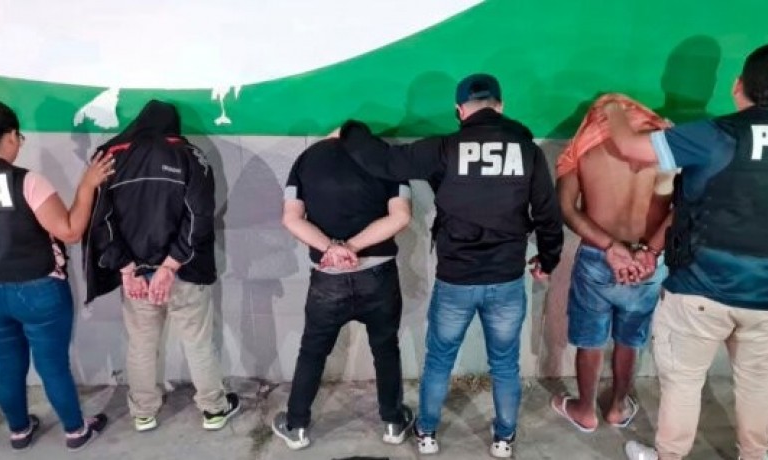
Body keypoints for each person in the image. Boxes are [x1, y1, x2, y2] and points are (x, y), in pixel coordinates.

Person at [334, 74, 564, 458]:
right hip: (506, 279)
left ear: (460, 111)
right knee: (505, 364)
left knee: (440, 360)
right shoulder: (528, 152)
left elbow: (384, 162)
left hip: (456, 279)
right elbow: (548, 215)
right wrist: (549, 258)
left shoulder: (445, 148)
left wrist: (351, 130)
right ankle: (504, 439)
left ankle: (426, 433)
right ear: (500, 106)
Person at [604, 43, 768, 460]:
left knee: (683, 381)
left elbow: (628, 147)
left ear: (737, 86)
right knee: (759, 380)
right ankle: (755, 455)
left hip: (701, 291)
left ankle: (670, 456)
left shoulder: (712, 135)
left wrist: (612, 109)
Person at [0, 98, 112, 451]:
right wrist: (87, 186)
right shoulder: (26, 181)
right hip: (38, 291)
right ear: (9, 136)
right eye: (19, 137)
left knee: (5, 364)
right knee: (52, 364)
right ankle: (76, 431)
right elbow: (70, 231)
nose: (20, 144)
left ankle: (19, 430)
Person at [84, 100, 239, 432]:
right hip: (185, 271)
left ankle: (143, 413)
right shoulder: (190, 156)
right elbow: (200, 216)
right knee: (197, 341)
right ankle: (213, 409)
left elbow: (100, 221)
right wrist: (170, 266)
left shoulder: (112, 157)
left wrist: (127, 267)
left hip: (136, 276)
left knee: (141, 344)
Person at [270, 137, 413, 450]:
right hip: (378, 276)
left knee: (312, 352)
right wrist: (351, 247)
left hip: (328, 279)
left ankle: (296, 426)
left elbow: (290, 218)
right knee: (386, 350)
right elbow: (401, 216)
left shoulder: (307, 159)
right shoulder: (385, 155)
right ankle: (393, 422)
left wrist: (332, 249)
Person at [551, 95, 674, 432]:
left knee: (590, 340)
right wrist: (649, 252)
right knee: (630, 338)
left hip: (597, 258)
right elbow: (682, 208)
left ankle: (585, 410)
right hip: (647, 262)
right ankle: (618, 407)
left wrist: (609, 246)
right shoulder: (662, 146)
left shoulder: (582, 148)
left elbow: (566, 209)